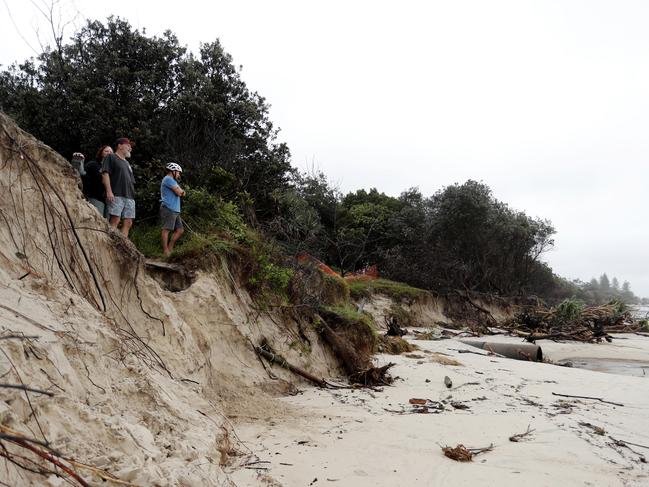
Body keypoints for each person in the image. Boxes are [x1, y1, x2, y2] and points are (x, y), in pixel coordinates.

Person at [101, 137, 136, 237]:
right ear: (120, 146)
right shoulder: (111, 157)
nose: (130, 148)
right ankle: (109, 243)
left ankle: (123, 246)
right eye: (128, 145)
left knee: (128, 222)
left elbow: (131, 181)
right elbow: (105, 173)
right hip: (116, 194)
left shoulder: (127, 163)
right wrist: (109, 191)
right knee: (115, 219)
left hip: (129, 196)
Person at [160, 162, 186, 256]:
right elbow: (180, 193)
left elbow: (180, 191)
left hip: (175, 209)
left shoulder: (173, 181)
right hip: (169, 208)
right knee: (166, 229)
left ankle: (170, 248)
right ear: (173, 171)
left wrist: (181, 191)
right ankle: (166, 251)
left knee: (180, 230)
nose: (179, 174)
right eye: (178, 172)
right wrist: (182, 192)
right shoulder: (168, 179)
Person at [82, 145, 113, 216]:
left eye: (111, 152)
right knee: (98, 218)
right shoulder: (93, 164)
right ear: (101, 153)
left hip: (109, 200)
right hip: (94, 196)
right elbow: (82, 174)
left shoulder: (113, 169)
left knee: (108, 222)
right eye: (106, 151)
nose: (109, 153)